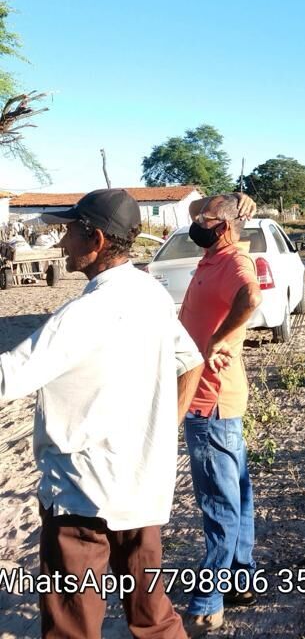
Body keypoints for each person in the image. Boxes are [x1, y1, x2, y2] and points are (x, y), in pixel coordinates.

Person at [0, 188, 205, 639]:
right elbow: (191, 361)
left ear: (94, 239)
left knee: (72, 625)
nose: (61, 241)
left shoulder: (85, 313)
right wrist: (163, 429)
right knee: (154, 617)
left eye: (69, 231)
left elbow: (8, 377)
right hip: (139, 484)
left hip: (80, 496)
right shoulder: (149, 294)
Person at [178, 192, 261, 637]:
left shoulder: (233, 262)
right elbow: (200, 209)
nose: (197, 223)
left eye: (206, 219)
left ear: (225, 227)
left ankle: (209, 599)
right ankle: (240, 581)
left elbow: (251, 297)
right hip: (214, 399)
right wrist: (232, 198)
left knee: (218, 502)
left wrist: (220, 340)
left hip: (209, 400)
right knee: (238, 494)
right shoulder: (214, 253)